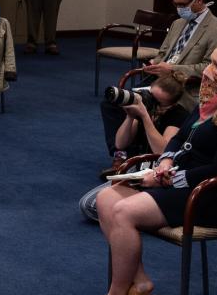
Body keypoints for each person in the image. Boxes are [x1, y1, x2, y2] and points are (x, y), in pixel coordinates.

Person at [76, 38, 217, 295]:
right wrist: (165, 160)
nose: (206, 72)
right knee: (106, 199)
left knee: (123, 211)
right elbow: (179, 138)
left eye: (216, 65)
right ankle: (140, 285)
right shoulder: (210, 102)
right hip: (188, 184)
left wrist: (170, 179)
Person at [79, 70, 188, 222]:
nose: (152, 103)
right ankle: (134, 214)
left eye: (159, 102)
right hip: (136, 170)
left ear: (172, 104)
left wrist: (145, 117)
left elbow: (163, 151)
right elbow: (120, 143)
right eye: (151, 97)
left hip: (158, 174)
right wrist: (131, 117)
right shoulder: (145, 107)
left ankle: (134, 214)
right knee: (88, 205)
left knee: (98, 208)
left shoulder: (179, 115)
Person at [135, 0, 217, 94]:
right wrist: (154, 63)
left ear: (199, 0)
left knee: (135, 103)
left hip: (185, 85)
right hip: (161, 79)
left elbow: (212, 68)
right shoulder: (177, 23)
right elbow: (163, 53)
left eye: (182, 5)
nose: (179, 9)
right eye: (176, 4)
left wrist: (172, 69)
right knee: (115, 101)